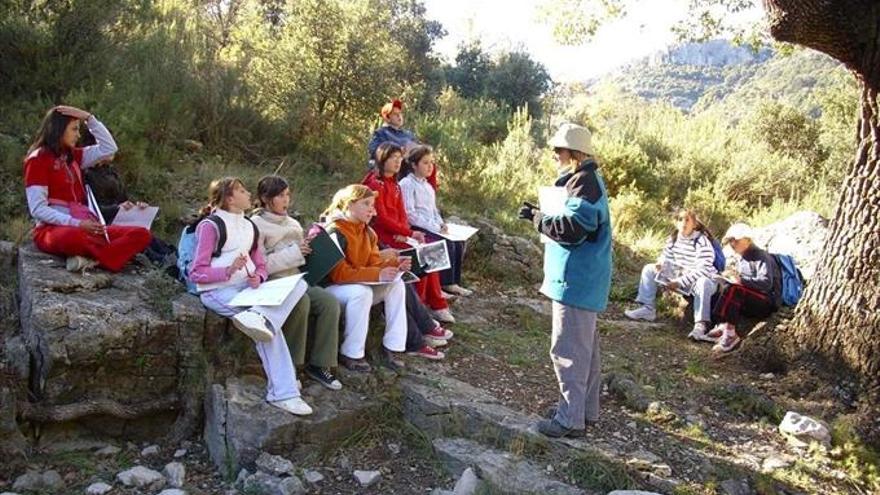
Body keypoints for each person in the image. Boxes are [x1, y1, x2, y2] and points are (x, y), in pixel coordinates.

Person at [518, 123, 612, 438]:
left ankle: (569, 420)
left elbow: (571, 231)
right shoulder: (586, 180)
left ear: (574, 152)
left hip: (576, 280)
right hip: (584, 278)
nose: (555, 154)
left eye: (559, 150)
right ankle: (585, 412)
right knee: (586, 350)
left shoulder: (584, 183)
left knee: (568, 350)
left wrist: (536, 218)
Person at [189, 177, 312, 415]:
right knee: (268, 332)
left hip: (247, 290)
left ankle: (260, 317)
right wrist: (228, 270)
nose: (249, 195)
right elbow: (196, 272)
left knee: (299, 286)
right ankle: (283, 393)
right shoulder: (211, 226)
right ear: (229, 198)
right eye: (242, 191)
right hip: (218, 291)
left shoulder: (249, 226)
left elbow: (261, 265)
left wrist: (260, 277)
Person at [23, 105, 151, 272]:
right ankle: (108, 257)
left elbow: (109, 148)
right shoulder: (37, 159)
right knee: (77, 238)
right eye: (74, 129)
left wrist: (89, 118)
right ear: (58, 129)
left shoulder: (73, 156)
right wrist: (76, 223)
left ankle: (94, 259)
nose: (78, 134)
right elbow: (38, 209)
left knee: (142, 234)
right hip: (53, 229)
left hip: (87, 225)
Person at [251, 175, 343, 390]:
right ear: (266, 198)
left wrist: (311, 249)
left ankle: (320, 365)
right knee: (301, 303)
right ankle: (290, 367)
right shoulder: (256, 224)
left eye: (287, 195)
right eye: (280, 196)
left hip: (297, 279)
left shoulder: (293, 223)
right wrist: (294, 253)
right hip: (272, 283)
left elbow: (300, 257)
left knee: (329, 302)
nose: (286, 200)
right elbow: (259, 264)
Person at [321, 185, 410, 372]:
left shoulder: (368, 232)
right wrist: (378, 274)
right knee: (361, 293)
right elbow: (339, 274)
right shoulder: (334, 231)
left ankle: (393, 346)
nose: (373, 209)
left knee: (396, 284)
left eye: (373, 204)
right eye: (366, 204)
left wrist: (394, 264)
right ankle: (351, 353)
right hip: (330, 289)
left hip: (354, 284)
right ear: (350, 205)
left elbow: (374, 262)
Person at [363, 142, 454, 323]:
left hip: (398, 234)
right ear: (382, 159)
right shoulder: (375, 184)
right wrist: (408, 234)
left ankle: (436, 304)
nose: (397, 162)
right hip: (382, 236)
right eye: (392, 158)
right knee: (422, 255)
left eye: (399, 158)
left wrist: (406, 233)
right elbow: (381, 218)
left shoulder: (395, 185)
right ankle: (421, 309)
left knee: (429, 249)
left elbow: (402, 214)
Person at [624, 208, 719, 341]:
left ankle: (700, 325)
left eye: (687, 220)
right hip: (680, 275)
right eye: (680, 220)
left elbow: (703, 269)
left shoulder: (702, 241)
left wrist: (680, 282)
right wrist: (660, 264)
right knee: (649, 269)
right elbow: (666, 256)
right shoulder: (673, 238)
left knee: (703, 283)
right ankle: (648, 309)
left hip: (703, 279)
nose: (683, 223)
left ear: (695, 224)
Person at [399, 145, 472, 298]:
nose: (429, 166)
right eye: (425, 163)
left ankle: (453, 282)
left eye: (431, 162)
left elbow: (433, 210)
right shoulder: (407, 184)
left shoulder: (427, 186)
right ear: (414, 165)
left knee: (458, 242)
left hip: (433, 225)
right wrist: (434, 227)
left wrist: (441, 223)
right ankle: (442, 284)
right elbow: (410, 213)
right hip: (418, 227)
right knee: (445, 244)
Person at [709, 223, 782, 353]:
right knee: (726, 286)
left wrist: (741, 281)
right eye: (730, 241)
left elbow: (766, 284)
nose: (732, 244)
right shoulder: (743, 258)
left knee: (734, 289)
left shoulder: (761, 256)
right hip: (752, 298)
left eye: (735, 240)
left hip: (767, 302)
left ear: (747, 239)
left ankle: (730, 334)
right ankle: (724, 323)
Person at [367, 99, 437, 189]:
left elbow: (418, 149)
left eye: (400, 114)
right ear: (387, 117)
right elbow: (373, 150)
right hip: (392, 167)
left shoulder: (408, 134)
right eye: (395, 114)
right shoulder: (381, 133)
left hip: (408, 167)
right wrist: (397, 151)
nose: (399, 116)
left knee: (430, 163)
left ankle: (428, 193)